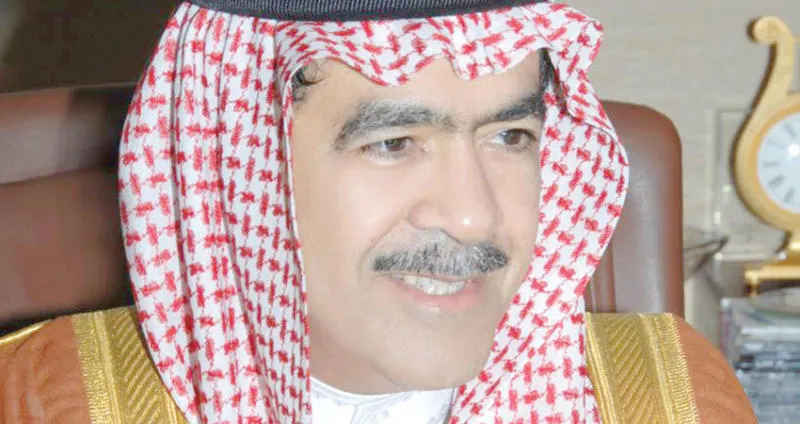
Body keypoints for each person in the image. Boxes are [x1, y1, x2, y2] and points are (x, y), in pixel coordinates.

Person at [0, 0, 756, 422]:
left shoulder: (670, 397)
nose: (474, 216)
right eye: (393, 143)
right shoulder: (52, 402)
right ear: (238, 167)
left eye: (510, 136)